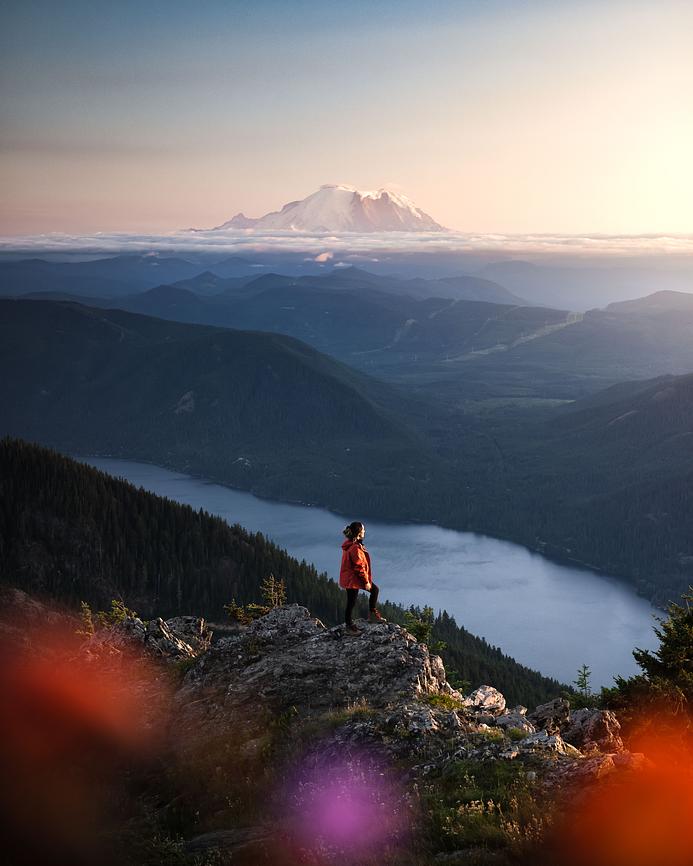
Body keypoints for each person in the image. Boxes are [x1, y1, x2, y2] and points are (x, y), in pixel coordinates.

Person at [339, 521, 387, 633]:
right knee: (352, 601)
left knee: (373, 591)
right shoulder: (355, 547)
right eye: (363, 530)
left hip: (352, 577)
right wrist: (366, 581)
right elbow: (359, 567)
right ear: (359, 533)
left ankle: (372, 615)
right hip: (352, 579)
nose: (365, 531)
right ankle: (349, 626)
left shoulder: (352, 543)